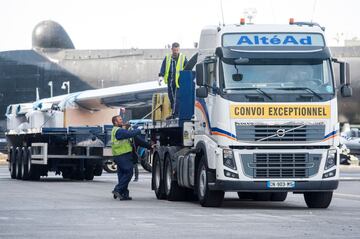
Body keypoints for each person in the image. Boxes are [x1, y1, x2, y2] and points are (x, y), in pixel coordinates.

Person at [111, 115, 141, 200]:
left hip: (119, 155)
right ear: (115, 122)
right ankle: (118, 189)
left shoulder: (118, 130)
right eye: (120, 120)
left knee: (122, 175)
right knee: (129, 173)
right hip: (123, 155)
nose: (122, 121)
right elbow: (129, 134)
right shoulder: (119, 131)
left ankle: (124, 194)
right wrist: (138, 130)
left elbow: (127, 134)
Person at [158, 42, 188, 118]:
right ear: (171, 49)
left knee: (177, 98)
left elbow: (188, 68)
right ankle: (174, 113)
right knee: (171, 98)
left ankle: (175, 114)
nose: (176, 52)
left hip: (179, 82)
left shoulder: (183, 58)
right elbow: (163, 67)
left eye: (177, 50)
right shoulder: (168, 58)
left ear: (179, 49)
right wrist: (161, 76)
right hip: (170, 82)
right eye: (174, 50)